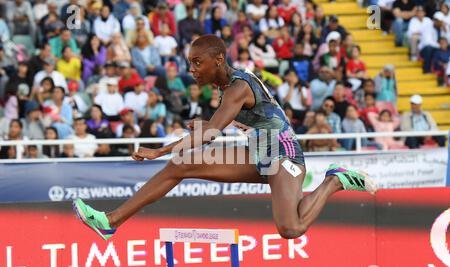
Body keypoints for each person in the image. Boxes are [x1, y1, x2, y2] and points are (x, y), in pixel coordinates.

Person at [73, 35, 377, 241]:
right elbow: (230, 122)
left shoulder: (237, 87)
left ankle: (334, 180)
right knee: (182, 165)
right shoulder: (227, 87)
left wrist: (160, 150)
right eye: (190, 62)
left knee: (290, 227)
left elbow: (213, 133)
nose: (191, 70)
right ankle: (110, 222)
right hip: (259, 152)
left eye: (197, 62)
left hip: (283, 154)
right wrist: (206, 126)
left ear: (218, 59)